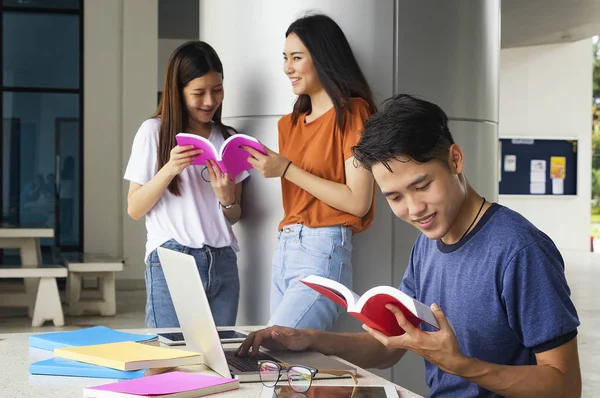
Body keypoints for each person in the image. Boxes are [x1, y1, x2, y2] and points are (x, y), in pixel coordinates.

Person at [237, 94, 582, 397]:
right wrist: (309, 339)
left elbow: (565, 386)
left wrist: (460, 365)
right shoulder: (426, 246)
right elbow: (387, 347)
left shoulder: (520, 251)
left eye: (423, 185)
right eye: (395, 197)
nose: (415, 209)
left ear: (455, 160)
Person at [243, 13, 377, 331]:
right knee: (285, 368)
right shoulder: (288, 124)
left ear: (323, 58)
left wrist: (286, 169)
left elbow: (359, 201)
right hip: (285, 246)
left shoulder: (354, 113)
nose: (287, 67)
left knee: (276, 349)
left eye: (297, 58)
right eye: (285, 58)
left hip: (323, 248)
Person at [124, 41, 248, 328]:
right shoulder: (153, 132)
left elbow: (235, 215)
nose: (209, 101)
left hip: (223, 261)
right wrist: (170, 169)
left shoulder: (229, 139)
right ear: (178, 91)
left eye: (217, 90)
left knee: (218, 360)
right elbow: (134, 208)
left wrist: (227, 198)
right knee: (167, 356)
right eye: (198, 93)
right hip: (172, 259)